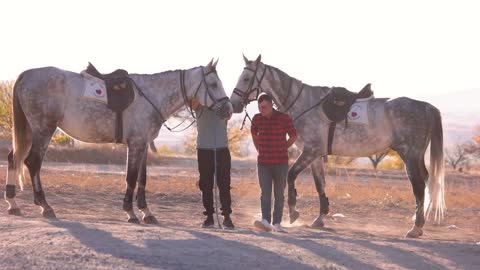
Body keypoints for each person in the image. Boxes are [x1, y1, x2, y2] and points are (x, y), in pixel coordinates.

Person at [251, 93, 297, 232]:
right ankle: (265, 221)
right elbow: (254, 134)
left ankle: (277, 223)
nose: (261, 110)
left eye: (264, 107)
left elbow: (293, 135)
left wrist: (284, 147)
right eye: (259, 107)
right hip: (263, 162)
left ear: (271, 105)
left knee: (279, 193)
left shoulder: (284, 118)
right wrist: (258, 148)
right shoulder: (257, 118)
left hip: (280, 162)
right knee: (265, 192)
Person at [191, 99, 234, 229]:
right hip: (204, 150)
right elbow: (193, 104)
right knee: (205, 184)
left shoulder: (224, 102)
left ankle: (227, 217)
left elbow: (229, 114)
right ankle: (209, 217)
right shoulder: (198, 102)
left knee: (224, 184)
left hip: (221, 149)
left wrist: (219, 105)